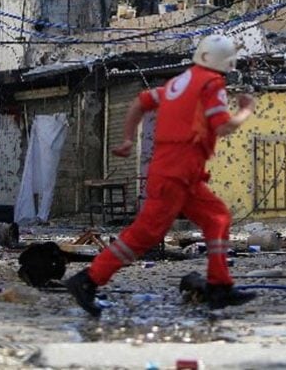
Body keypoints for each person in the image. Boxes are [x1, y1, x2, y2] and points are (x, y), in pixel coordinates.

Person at [65, 34, 257, 316]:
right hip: (177, 173)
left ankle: (219, 287)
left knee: (217, 218)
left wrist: (129, 138)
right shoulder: (212, 83)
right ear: (226, 63)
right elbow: (223, 127)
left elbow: (140, 103)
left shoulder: (177, 83)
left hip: (181, 173)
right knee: (144, 234)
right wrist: (245, 110)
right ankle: (88, 280)